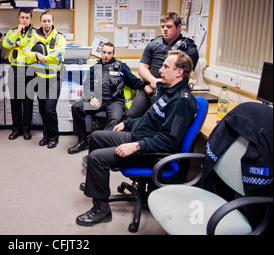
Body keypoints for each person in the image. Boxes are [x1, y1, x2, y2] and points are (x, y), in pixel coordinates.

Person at [76, 50, 198, 226]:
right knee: (96, 137)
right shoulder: (168, 92)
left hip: (151, 152)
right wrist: (128, 123)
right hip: (139, 138)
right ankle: (96, 182)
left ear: (179, 72)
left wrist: (136, 146)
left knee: (96, 159)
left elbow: (169, 142)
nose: (160, 71)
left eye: (165, 66)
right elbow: (150, 119)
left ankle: (102, 210)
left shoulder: (182, 103)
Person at [68, 42, 145, 154]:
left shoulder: (121, 67)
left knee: (116, 117)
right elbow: (87, 86)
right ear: (101, 52)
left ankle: (101, 144)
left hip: (115, 102)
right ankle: (82, 140)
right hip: (98, 100)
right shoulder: (95, 68)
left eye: (109, 53)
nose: (106, 55)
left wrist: (147, 86)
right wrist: (91, 98)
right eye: (104, 52)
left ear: (113, 54)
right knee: (76, 107)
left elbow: (135, 82)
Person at [127, 12, 199, 119]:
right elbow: (142, 67)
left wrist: (161, 86)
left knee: (160, 120)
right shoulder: (154, 44)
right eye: (162, 26)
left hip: (173, 93)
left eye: (169, 26)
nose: (165, 29)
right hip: (150, 89)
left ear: (179, 27)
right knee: (131, 115)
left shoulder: (189, 49)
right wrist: (153, 82)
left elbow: (186, 75)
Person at [24, 11, 66, 149]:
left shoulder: (60, 37)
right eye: (44, 21)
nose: (47, 24)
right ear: (40, 22)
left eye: (49, 21)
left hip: (54, 78)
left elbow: (59, 56)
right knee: (42, 109)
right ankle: (46, 135)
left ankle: (54, 137)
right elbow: (26, 56)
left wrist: (43, 57)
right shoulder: (34, 37)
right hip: (40, 78)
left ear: (52, 21)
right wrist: (36, 54)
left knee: (50, 110)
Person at [2, 8, 37, 140]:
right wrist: (17, 32)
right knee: (15, 101)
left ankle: (27, 130)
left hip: (29, 69)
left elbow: (32, 45)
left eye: (27, 18)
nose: (24, 20)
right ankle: (16, 129)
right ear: (18, 18)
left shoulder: (34, 33)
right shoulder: (12, 31)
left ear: (30, 19)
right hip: (15, 69)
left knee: (28, 101)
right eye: (22, 17)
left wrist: (18, 43)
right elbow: (6, 44)